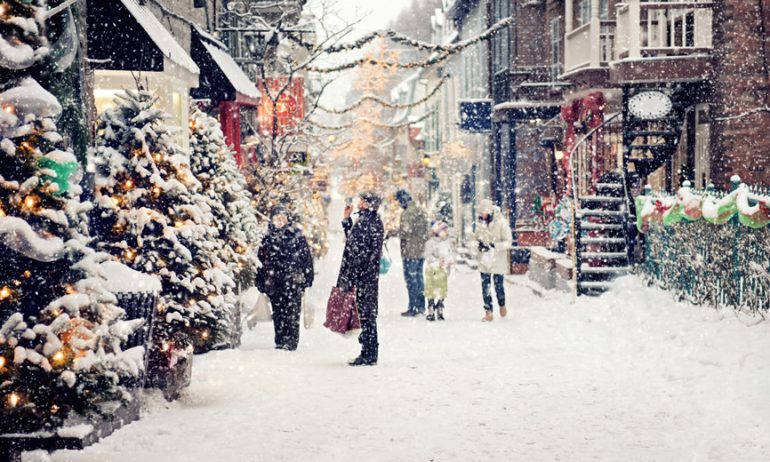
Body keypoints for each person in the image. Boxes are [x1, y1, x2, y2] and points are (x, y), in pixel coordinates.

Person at [337, 191, 384, 366]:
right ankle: (368, 351)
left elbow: (359, 249)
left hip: (365, 276)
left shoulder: (369, 222)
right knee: (365, 314)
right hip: (365, 275)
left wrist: (355, 274)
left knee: (367, 315)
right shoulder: (367, 220)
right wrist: (347, 220)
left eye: (362, 201)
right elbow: (353, 241)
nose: (359, 203)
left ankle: (369, 353)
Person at [257, 206, 314, 350]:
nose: (280, 221)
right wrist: (260, 280)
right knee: (278, 312)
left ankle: (291, 340)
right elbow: (261, 260)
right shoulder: (267, 238)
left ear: (288, 219)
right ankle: (280, 339)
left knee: (292, 312)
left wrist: (308, 277)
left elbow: (306, 258)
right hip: (274, 282)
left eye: (283, 218)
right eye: (277, 218)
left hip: (293, 281)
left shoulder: (296, 236)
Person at [473, 199, 512, 322]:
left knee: (498, 285)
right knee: (485, 286)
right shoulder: (480, 223)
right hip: (484, 259)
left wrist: (496, 246)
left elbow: (508, 241)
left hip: (497, 260)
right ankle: (488, 311)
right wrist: (479, 245)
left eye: (483, 213)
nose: (481, 215)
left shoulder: (501, 222)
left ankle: (502, 304)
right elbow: (476, 237)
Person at [395, 189, 429, 317]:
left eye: (399, 201)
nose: (399, 204)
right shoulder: (420, 210)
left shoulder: (407, 213)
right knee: (419, 278)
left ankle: (413, 306)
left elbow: (405, 231)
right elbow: (426, 230)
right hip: (420, 250)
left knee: (411, 279)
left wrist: (393, 232)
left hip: (410, 251)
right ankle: (421, 306)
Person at [423, 221, 454, 321]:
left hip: (443, 270)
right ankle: (431, 308)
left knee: (442, 289)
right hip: (433, 270)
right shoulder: (430, 243)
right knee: (431, 290)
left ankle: (440, 307)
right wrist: (437, 262)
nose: (446, 232)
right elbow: (428, 255)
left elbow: (450, 254)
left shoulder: (447, 243)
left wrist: (448, 262)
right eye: (444, 230)